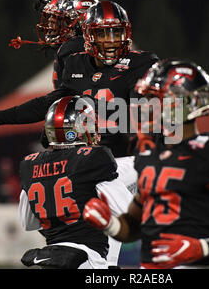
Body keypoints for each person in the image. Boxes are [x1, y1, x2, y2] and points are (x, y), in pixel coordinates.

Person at [83, 59, 209, 269]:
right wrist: (110, 224)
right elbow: (134, 226)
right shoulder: (149, 156)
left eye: (157, 99)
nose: (147, 107)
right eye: (148, 99)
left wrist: (202, 247)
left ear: (187, 102)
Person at [0, 0, 159, 159]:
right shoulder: (76, 64)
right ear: (88, 35)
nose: (110, 40)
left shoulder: (141, 63)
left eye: (116, 32)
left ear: (126, 33)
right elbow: (44, 104)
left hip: (125, 161)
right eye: (102, 33)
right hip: (83, 162)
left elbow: (153, 116)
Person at [18, 96, 133, 269]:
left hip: (50, 257)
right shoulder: (92, 160)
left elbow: (28, 222)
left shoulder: (31, 164)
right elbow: (128, 213)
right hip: (87, 260)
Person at [9, 0, 99, 90]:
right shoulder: (72, 49)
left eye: (59, 20)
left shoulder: (73, 48)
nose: (51, 26)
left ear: (81, 22)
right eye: (51, 18)